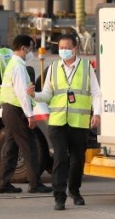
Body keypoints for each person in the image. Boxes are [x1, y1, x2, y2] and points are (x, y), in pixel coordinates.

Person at [28, 34, 101, 211]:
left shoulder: (86, 67)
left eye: (67, 48)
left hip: (79, 122)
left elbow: (96, 93)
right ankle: (59, 197)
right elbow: (47, 94)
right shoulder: (53, 68)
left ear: (75, 48)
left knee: (77, 159)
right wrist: (34, 95)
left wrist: (97, 113)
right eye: (61, 48)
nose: (63, 51)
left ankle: (74, 191)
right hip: (58, 121)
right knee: (60, 157)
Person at [0, 35, 52, 195]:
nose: (31, 51)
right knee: (30, 147)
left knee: (11, 148)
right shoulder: (19, 67)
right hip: (16, 110)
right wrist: (30, 115)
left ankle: (3, 184)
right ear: (23, 48)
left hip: (8, 110)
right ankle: (35, 184)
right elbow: (22, 93)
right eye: (30, 48)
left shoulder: (12, 64)